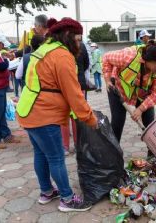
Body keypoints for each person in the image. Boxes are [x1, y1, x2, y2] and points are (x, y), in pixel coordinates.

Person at [16, 17, 97, 212]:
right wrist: (90, 118)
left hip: (28, 110)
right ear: (68, 36)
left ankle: (46, 192)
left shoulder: (44, 49)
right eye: (77, 39)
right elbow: (74, 92)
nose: (79, 44)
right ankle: (68, 199)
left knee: (41, 153)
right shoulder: (61, 55)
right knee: (56, 157)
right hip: (44, 114)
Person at [102, 42, 156, 143]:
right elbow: (106, 57)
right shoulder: (128, 56)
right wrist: (107, 79)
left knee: (150, 124)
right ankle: (113, 155)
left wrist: (140, 109)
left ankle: (152, 156)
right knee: (117, 122)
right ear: (151, 60)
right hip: (118, 89)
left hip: (143, 95)